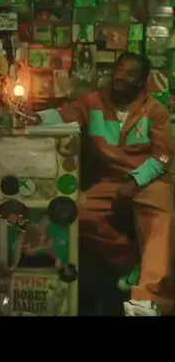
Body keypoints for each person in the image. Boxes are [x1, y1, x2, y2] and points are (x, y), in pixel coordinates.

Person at [26, 52, 174, 316]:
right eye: (120, 70)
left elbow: (162, 157)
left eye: (130, 74)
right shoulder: (93, 102)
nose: (121, 77)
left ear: (142, 82)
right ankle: (131, 262)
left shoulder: (156, 111)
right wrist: (34, 118)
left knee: (160, 218)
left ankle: (147, 299)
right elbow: (63, 114)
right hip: (111, 182)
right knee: (75, 213)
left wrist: (135, 180)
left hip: (151, 180)